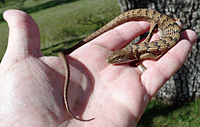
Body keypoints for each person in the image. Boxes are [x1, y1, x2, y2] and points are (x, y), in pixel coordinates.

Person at [0, 9, 197, 127]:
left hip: (165, 31)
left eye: (117, 59)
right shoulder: (135, 52)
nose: (113, 61)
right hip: (160, 30)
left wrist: (141, 57)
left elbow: (148, 53)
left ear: (128, 56)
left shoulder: (139, 53)